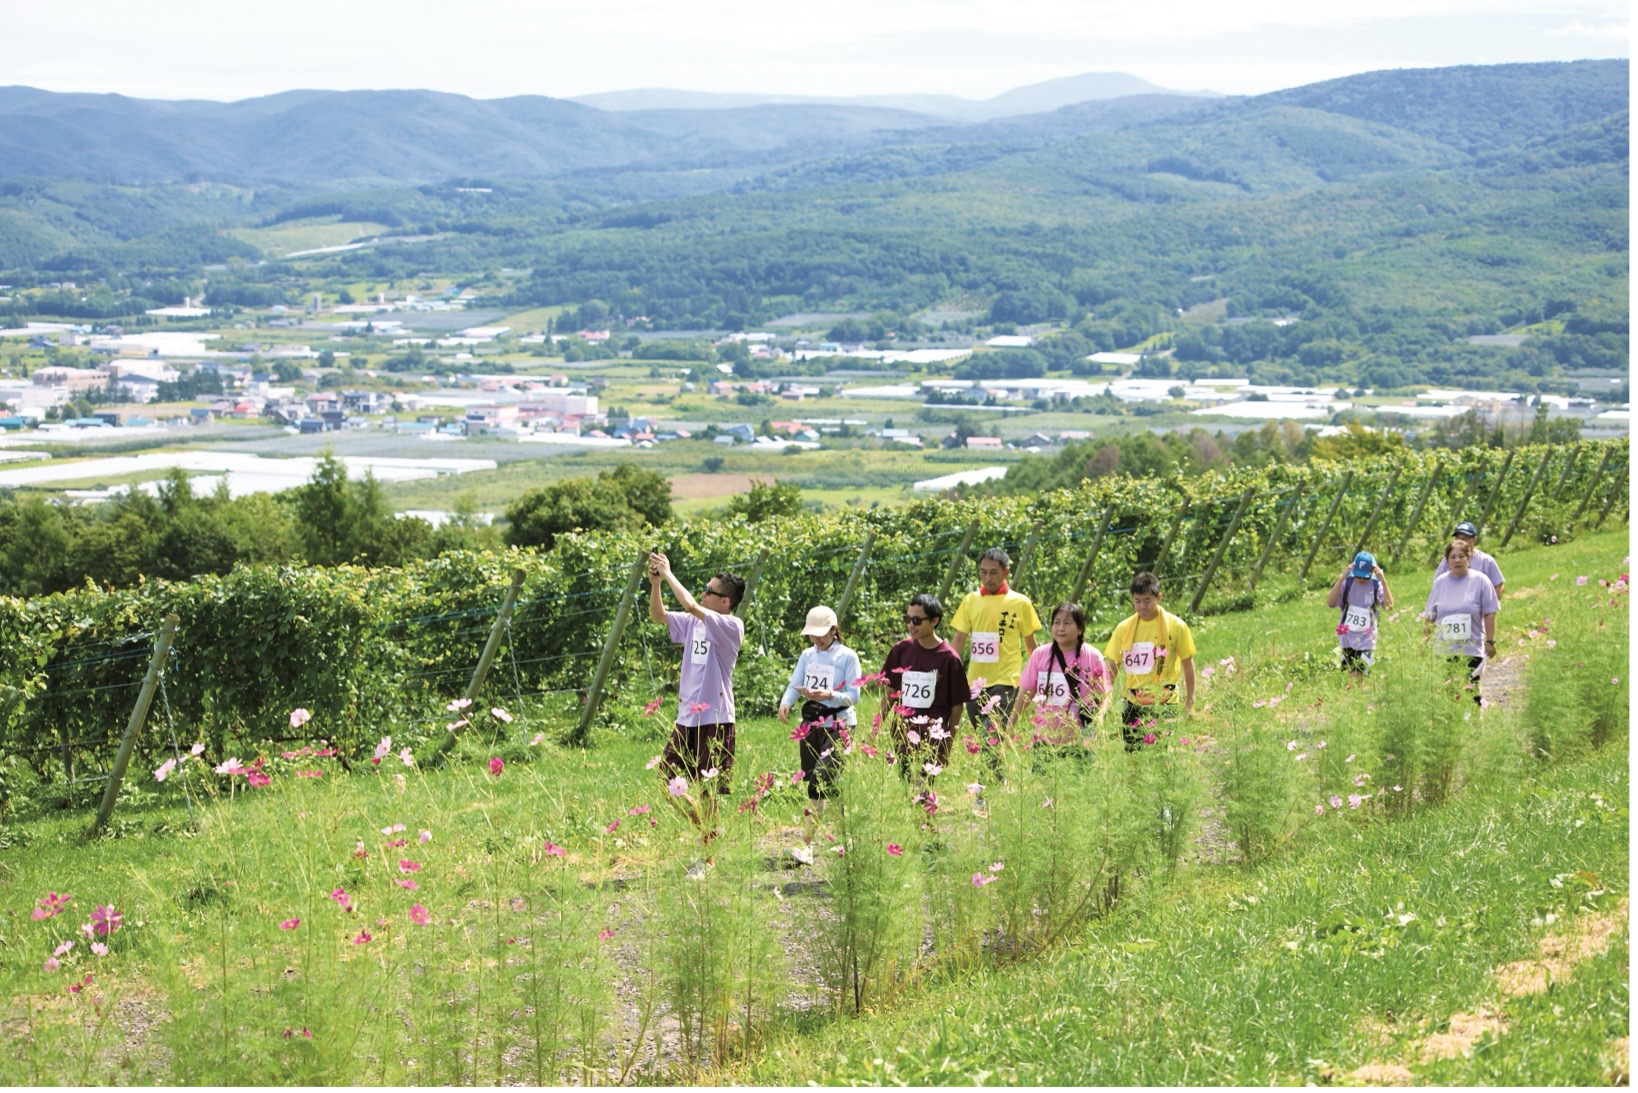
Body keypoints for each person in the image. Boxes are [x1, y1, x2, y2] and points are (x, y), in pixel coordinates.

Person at [648, 553, 746, 819]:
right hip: (687, 716)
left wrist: (668, 573)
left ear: (725, 601)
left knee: (707, 789)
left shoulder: (731, 625)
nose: (703, 594)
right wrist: (656, 584)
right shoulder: (693, 622)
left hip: (715, 717)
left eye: (709, 590)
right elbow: (658, 615)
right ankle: (704, 826)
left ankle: (709, 840)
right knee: (666, 778)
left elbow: (690, 605)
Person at [777, 606, 861, 823]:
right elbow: (795, 685)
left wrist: (830, 695)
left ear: (834, 630)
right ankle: (841, 834)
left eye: (821, 633)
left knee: (820, 780)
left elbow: (854, 696)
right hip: (812, 724)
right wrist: (785, 703)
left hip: (839, 724)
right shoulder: (807, 655)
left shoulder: (848, 657)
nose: (817, 639)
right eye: (812, 634)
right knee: (823, 782)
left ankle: (807, 839)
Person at [949, 547, 1041, 735]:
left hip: (1007, 680)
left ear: (1006, 572)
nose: (988, 578)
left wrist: (1041, 675)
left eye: (993, 573)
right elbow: (959, 640)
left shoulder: (1021, 602)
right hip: (976, 683)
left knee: (991, 735)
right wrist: (946, 670)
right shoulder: (970, 601)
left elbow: (1030, 644)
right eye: (983, 572)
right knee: (985, 739)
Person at [1103, 572, 1196, 750]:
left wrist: (1190, 701)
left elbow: (1187, 663)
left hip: (1165, 701)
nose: (1142, 606)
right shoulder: (1123, 628)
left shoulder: (1176, 626)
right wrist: (1103, 699)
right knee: (1133, 754)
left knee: (1161, 752)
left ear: (1158, 598)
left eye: (1147, 600)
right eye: (1137, 601)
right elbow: (1113, 665)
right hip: (1133, 701)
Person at [881, 593, 968, 778]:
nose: (911, 625)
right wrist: (876, 726)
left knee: (924, 786)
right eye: (907, 619)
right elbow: (891, 692)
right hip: (903, 732)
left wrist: (948, 745)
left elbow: (957, 706)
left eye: (917, 620)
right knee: (906, 783)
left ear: (934, 621)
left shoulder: (950, 659)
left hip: (933, 735)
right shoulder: (900, 650)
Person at [1008, 601, 1112, 748]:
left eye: (1067, 623)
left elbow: (1105, 694)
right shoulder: (1039, 655)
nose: (1061, 628)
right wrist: (1010, 724)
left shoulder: (1093, 656)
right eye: (1056, 623)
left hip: (1080, 741)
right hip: (1044, 740)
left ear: (1080, 629)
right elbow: (1026, 693)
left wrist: (1099, 718)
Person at [1423, 538, 1499, 704]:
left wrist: (1490, 641)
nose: (1457, 560)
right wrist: (1424, 642)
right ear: (1447, 561)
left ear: (1468, 558)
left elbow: (1490, 613)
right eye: (1453, 557)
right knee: (1449, 693)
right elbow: (1430, 616)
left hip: (1471, 648)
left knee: (1470, 691)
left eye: (1461, 556)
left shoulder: (1481, 581)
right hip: (1445, 649)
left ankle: (1475, 719)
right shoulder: (1440, 582)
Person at [1327, 550, 1394, 676]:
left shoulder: (1375, 584)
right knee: (1350, 674)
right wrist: (1341, 578)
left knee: (1360, 674)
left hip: (1367, 638)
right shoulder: (1347, 583)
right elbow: (1330, 602)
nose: (1361, 580)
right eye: (1358, 576)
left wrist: (1383, 581)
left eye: (1365, 577)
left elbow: (1389, 606)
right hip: (1347, 636)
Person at [1434, 521, 1505, 598]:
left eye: (1464, 539)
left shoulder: (1486, 561)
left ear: (1474, 539)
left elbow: (1498, 587)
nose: (1461, 542)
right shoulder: (1448, 560)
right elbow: (1437, 585)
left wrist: (1488, 603)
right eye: (1457, 539)